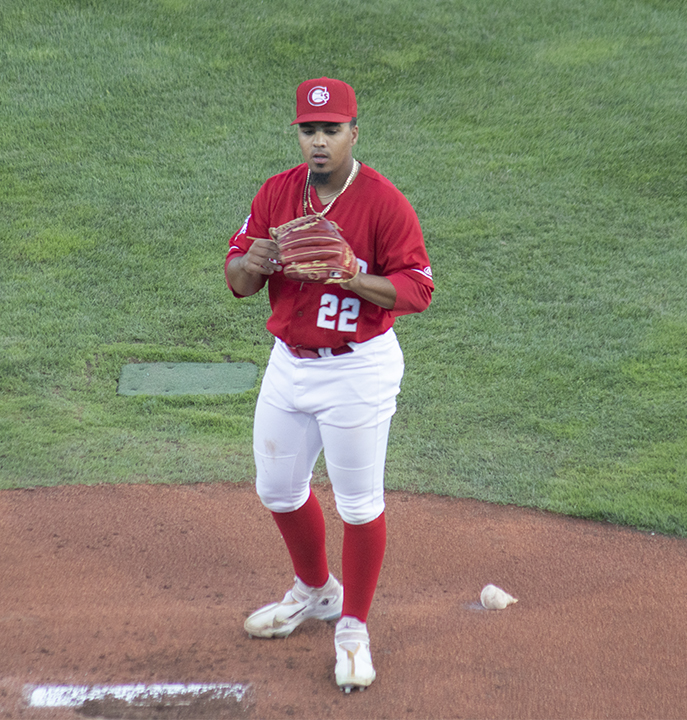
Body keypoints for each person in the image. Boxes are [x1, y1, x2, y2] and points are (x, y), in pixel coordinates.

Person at [224, 77, 434, 692]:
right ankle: (315, 592)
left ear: (352, 133)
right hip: (289, 363)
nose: (318, 142)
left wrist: (352, 277)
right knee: (279, 490)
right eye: (309, 130)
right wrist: (251, 265)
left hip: (357, 368)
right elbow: (237, 281)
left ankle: (353, 626)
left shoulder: (383, 203)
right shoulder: (276, 193)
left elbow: (418, 290)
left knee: (359, 504)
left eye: (331, 130)